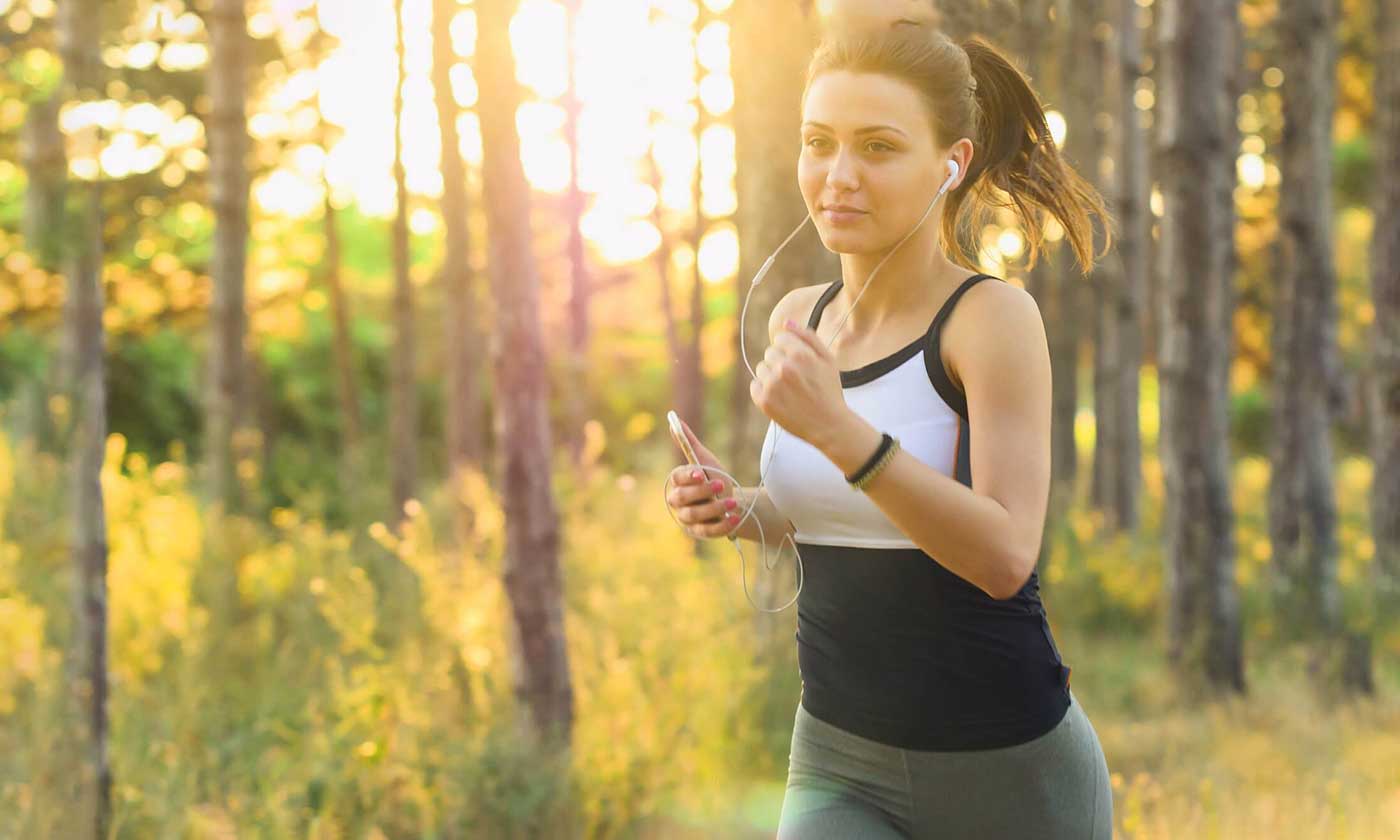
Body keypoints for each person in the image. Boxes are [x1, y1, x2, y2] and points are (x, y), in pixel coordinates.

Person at [664, 15, 1114, 840]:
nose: (838, 175)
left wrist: (841, 433)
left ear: (953, 164)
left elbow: (1005, 555)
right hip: (838, 758)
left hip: (1008, 772)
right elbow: (829, 513)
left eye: (877, 147)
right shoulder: (802, 317)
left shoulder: (988, 320)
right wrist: (741, 508)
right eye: (818, 142)